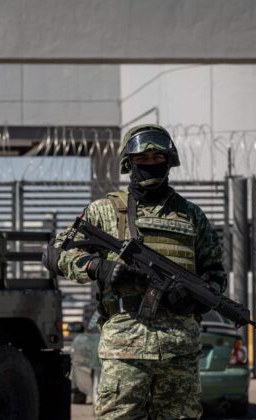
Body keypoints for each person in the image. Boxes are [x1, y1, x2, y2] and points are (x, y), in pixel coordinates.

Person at [48, 124, 226, 419]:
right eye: (142, 159)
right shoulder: (105, 211)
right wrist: (98, 267)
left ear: (169, 160)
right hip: (124, 350)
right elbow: (56, 251)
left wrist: (198, 298)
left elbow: (216, 272)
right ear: (129, 163)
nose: (150, 164)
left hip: (179, 353)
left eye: (157, 157)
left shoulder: (192, 216)